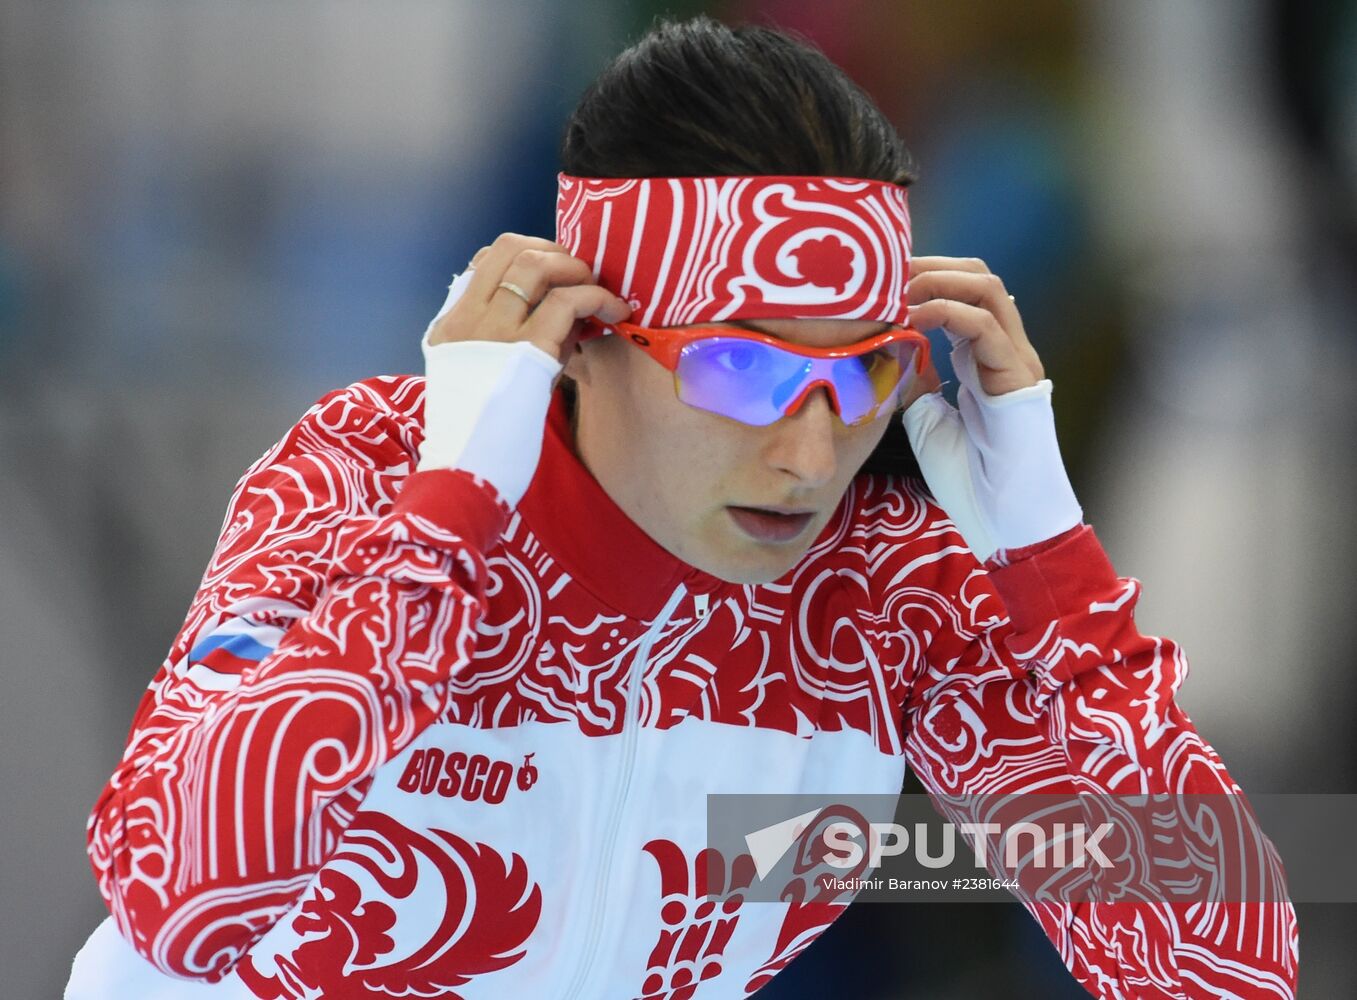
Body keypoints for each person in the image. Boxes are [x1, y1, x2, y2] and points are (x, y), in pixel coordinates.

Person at [66, 16, 1297, 999]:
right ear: (585, 333)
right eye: (745, 367)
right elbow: (179, 892)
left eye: (863, 370)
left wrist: (1052, 570)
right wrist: (442, 531)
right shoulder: (369, 470)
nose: (812, 456)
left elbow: (1222, 971)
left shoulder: (881, 589)